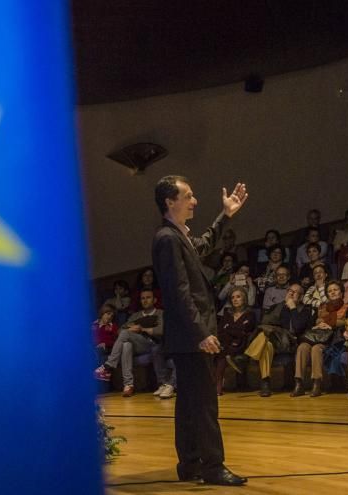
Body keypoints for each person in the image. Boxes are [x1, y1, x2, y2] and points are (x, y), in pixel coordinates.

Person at [151, 175, 248, 485]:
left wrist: (226, 214)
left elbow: (204, 243)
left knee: (190, 404)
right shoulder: (167, 238)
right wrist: (201, 333)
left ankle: (190, 464)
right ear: (170, 201)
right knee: (205, 404)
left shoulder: (179, 236)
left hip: (187, 337)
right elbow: (178, 291)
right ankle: (212, 466)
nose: (194, 201)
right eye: (188, 196)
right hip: (191, 337)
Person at [241, 283, 313, 397]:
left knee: (265, 336)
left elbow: (297, 328)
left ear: (301, 297)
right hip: (275, 340)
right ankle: (265, 383)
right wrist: (282, 307)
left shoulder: (305, 310)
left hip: (292, 342)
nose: (291, 293)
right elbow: (265, 322)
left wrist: (293, 308)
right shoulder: (277, 307)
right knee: (266, 345)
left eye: (295, 292)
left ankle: (245, 357)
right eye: (290, 291)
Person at [93, 290, 166, 397]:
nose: (145, 300)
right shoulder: (135, 315)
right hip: (136, 343)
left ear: (154, 300)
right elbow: (121, 330)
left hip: (151, 343)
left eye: (148, 297)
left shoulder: (160, 313)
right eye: (143, 298)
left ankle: (108, 366)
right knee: (126, 344)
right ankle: (128, 385)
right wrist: (132, 329)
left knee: (126, 334)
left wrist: (142, 329)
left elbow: (160, 331)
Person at [293, 280, 347, 397]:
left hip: (333, 339)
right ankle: (299, 383)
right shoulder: (322, 307)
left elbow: (346, 323)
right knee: (302, 347)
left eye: (335, 290)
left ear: (342, 293)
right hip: (316, 335)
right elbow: (310, 324)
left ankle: (316, 383)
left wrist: (329, 324)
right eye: (329, 291)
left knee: (316, 349)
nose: (332, 293)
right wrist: (317, 325)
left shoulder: (347, 306)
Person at [213, 288, 256, 396]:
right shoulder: (227, 313)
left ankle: (217, 385)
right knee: (221, 351)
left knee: (222, 351)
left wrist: (230, 329)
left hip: (242, 344)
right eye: (232, 297)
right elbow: (220, 331)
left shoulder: (250, 314)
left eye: (238, 296)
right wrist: (236, 330)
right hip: (226, 344)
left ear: (244, 298)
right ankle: (217, 384)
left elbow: (246, 331)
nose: (235, 299)